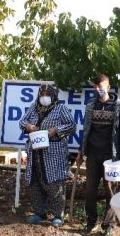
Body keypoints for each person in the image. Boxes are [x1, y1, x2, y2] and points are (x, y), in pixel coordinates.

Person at [76, 74, 120, 236]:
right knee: (90, 191)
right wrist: (81, 151)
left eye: (101, 86)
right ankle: (90, 222)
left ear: (108, 87)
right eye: (96, 86)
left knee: (110, 192)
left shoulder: (117, 107)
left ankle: (109, 225)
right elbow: (85, 131)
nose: (98, 89)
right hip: (93, 155)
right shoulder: (91, 106)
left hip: (111, 158)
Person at [19, 84, 77, 227]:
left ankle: (58, 215)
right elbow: (22, 122)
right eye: (42, 94)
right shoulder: (34, 107)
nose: (44, 97)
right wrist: (28, 127)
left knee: (54, 183)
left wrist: (56, 130)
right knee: (35, 181)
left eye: (47, 94)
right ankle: (40, 213)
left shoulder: (60, 108)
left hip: (54, 152)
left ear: (53, 95)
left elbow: (72, 125)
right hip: (35, 151)